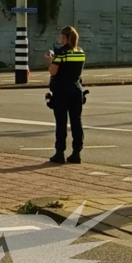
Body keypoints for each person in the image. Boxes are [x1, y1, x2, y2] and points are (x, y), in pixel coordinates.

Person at [45, 26, 86, 164]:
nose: (59, 39)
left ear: (64, 38)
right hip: (76, 89)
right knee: (76, 121)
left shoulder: (61, 53)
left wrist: (51, 60)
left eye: (61, 36)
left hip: (62, 90)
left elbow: (53, 72)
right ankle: (76, 152)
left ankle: (59, 153)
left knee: (61, 122)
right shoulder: (81, 52)